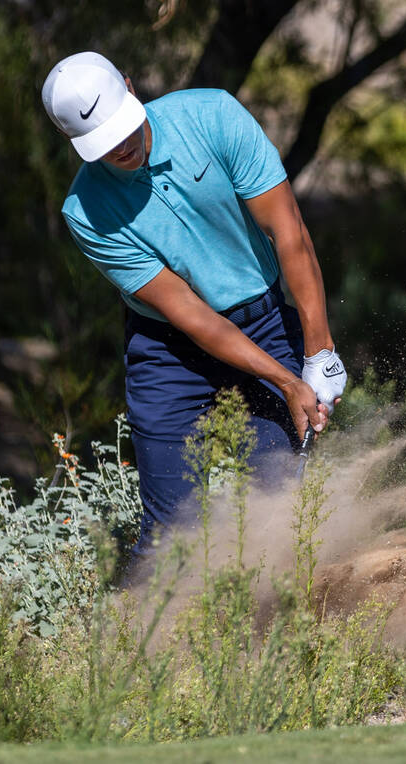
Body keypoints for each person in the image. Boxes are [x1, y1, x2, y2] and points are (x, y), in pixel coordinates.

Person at [40, 51, 346, 554]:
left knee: (282, 498)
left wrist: (319, 353)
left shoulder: (213, 116)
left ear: (130, 85)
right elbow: (193, 317)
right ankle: (154, 632)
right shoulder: (85, 213)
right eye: (102, 141)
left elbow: (288, 232)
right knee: (170, 537)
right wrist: (289, 382)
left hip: (264, 319)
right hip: (169, 353)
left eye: (122, 127)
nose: (119, 146)